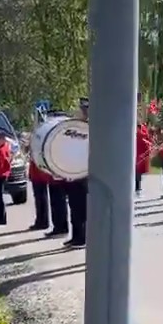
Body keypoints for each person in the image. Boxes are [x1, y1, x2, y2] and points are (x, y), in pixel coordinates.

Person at [64, 98, 90, 248]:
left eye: (78, 110)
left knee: (80, 207)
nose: (75, 112)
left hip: (82, 173)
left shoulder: (86, 129)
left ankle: (82, 237)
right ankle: (75, 236)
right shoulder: (76, 127)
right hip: (73, 172)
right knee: (73, 205)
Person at [28, 150, 54, 231]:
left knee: (41, 199)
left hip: (39, 176)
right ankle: (40, 220)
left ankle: (43, 221)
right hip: (36, 175)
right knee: (38, 200)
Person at [135, 121, 153, 195]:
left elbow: (148, 146)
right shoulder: (136, 136)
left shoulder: (141, 136)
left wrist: (144, 155)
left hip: (138, 157)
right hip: (135, 157)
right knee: (136, 173)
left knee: (137, 173)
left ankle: (137, 188)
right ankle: (136, 187)